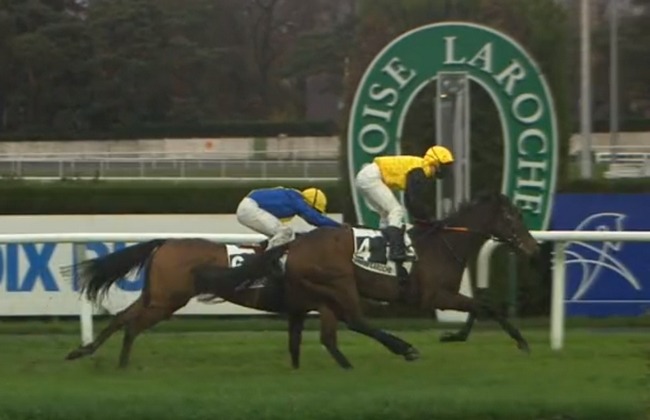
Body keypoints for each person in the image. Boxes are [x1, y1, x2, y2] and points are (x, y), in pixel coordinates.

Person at [354, 145, 455, 263]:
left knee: (387, 214)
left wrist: (425, 219)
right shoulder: (419, 170)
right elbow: (413, 201)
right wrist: (428, 220)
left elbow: (411, 200)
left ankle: (383, 246)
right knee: (396, 210)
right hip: (371, 177)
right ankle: (395, 250)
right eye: (444, 166)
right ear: (435, 162)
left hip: (367, 176)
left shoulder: (420, 168)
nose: (445, 170)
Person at [236, 187, 341, 251]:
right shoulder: (298, 201)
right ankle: (266, 265)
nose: (313, 212)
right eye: (314, 210)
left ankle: (264, 253)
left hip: (250, 205)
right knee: (285, 232)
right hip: (250, 208)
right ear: (309, 203)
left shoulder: (293, 197)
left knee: (282, 235)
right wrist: (340, 227)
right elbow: (316, 219)